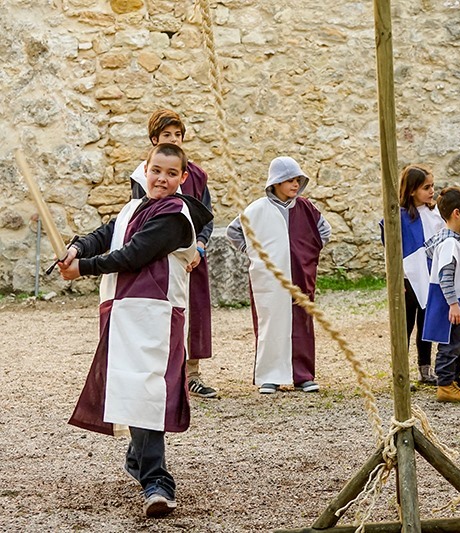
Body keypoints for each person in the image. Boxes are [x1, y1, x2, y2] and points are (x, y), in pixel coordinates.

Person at [59, 143, 213, 517]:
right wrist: (77, 248)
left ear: (183, 178)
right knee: (130, 386)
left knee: (148, 390)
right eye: (156, 170)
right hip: (123, 309)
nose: (162, 178)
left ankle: (158, 482)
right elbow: (106, 233)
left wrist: (84, 268)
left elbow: (134, 254)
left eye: (171, 173)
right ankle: (137, 460)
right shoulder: (133, 206)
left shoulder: (175, 214)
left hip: (155, 315)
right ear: (145, 169)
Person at [130, 109, 217, 399]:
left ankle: (193, 374)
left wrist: (200, 247)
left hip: (193, 258)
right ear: (155, 139)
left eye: (178, 135)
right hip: (162, 257)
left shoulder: (196, 175)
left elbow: (207, 217)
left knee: (194, 311)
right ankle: (165, 375)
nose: (174, 140)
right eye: (167, 135)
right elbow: (138, 215)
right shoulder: (143, 176)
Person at [227, 156, 331, 394]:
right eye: (289, 180)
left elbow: (324, 231)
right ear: (275, 182)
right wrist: (251, 252)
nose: (295, 185)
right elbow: (235, 231)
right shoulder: (256, 210)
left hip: (300, 273)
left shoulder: (306, 208)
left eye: (297, 180)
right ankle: (270, 376)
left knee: (301, 321)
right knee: (270, 322)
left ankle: (302, 375)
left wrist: (308, 252)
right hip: (269, 278)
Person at [379, 165, 445, 385]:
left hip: (430, 278)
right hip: (407, 280)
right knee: (404, 327)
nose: (431, 191)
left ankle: (425, 369)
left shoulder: (436, 214)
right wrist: (396, 279)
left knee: (426, 325)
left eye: (432, 186)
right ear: (411, 190)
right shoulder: (398, 217)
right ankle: (401, 372)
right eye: (426, 187)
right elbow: (391, 250)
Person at [421, 186, 460, 403]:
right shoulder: (448, 244)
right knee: (451, 344)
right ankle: (445, 385)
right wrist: (453, 304)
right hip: (453, 305)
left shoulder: (454, 240)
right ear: (457, 213)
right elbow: (446, 276)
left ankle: (456, 379)